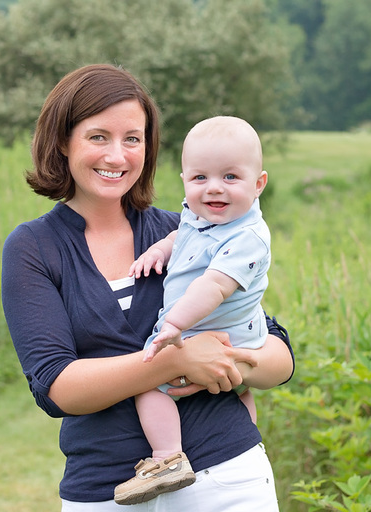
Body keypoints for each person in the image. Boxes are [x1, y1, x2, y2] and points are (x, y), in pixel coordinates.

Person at [1, 64, 294, 511]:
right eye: (98, 136)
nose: (117, 156)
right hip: (106, 491)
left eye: (132, 139)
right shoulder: (34, 248)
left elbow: (275, 355)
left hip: (227, 475)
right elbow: (58, 388)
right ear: (63, 141)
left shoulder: (189, 230)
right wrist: (173, 361)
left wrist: (230, 361)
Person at [114, 116, 270, 505]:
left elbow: (213, 285)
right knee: (237, 389)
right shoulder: (200, 217)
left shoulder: (248, 236)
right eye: (200, 178)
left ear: (259, 184)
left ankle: (166, 458)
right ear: (184, 180)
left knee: (148, 384)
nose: (214, 188)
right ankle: (242, 433)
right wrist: (157, 252)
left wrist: (173, 324)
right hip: (233, 338)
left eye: (231, 177)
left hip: (216, 332)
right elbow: (181, 235)